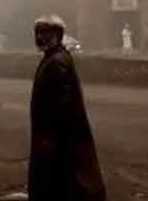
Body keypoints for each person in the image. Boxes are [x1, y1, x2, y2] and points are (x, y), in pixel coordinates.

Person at [28, 15, 106, 201]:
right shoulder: (55, 58)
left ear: (57, 34)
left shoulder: (56, 62)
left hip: (57, 136)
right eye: (37, 32)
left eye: (45, 33)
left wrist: (50, 136)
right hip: (56, 135)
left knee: (64, 180)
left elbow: (61, 104)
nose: (40, 37)